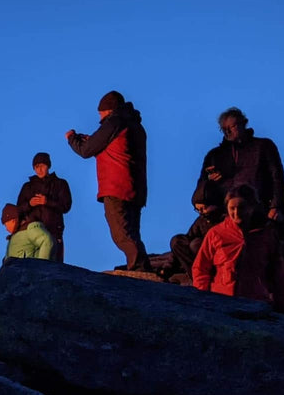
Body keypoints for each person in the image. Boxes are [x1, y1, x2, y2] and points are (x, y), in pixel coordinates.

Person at [66, 90, 151, 272]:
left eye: (101, 112)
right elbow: (116, 147)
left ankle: (139, 267)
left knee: (121, 233)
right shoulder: (134, 125)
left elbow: (87, 150)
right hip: (135, 188)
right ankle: (136, 264)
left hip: (116, 186)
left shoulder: (114, 122)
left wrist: (72, 139)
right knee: (132, 231)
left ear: (108, 110)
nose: (99, 117)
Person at [192, 184, 284, 310]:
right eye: (232, 208)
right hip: (221, 301)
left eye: (241, 208)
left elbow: (278, 273)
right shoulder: (216, 233)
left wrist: (283, 304)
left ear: (252, 207)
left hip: (255, 303)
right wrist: (203, 299)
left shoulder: (266, 235)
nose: (236, 213)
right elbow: (200, 268)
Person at [199, 107, 284, 221]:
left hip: (258, 209)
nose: (227, 132)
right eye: (223, 129)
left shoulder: (263, 146)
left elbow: (277, 177)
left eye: (232, 127)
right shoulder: (214, 155)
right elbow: (201, 187)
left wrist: (275, 206)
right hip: (224, 214)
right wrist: (209, 183)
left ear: (244, 123)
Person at [15, 152, 72, 261]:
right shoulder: (28, 187)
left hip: (54, 231)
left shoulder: (60, 184)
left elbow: (66, 206)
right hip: (32, 234)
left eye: (42, 166)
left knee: (55, 267)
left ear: (48, 166)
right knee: (33, 267)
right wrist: (30, 204)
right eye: (36, 167)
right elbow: (18, 210)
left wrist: (47, 202)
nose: (39, 169)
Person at [167, 176, 226, 278]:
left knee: (196, 244)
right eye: (197, 210)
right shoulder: (201, 222)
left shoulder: (225, 221)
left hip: (218, 261)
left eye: (204, 208)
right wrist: (168, 266)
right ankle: (195, 275)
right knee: (177, 240)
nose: (201, 213)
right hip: (198, 265)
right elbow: (188, 237)